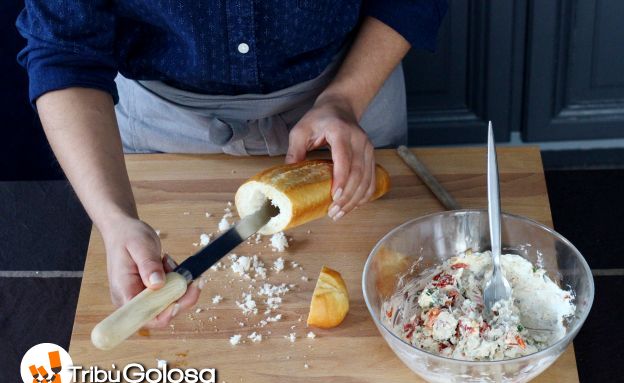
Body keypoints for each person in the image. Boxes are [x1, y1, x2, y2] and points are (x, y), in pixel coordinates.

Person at [17, 1, 447, 327]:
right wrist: (114, 219)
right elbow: (63, 51)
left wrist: (345, 98)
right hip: (160, 120)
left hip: (350, 95)